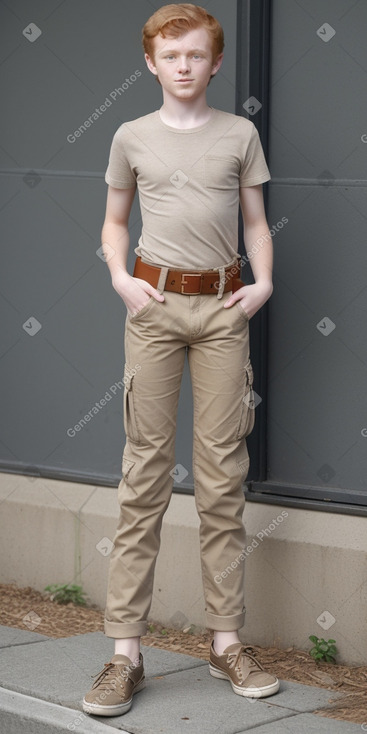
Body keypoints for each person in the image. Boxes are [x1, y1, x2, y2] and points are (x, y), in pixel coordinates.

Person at [83, 2, 279, 717]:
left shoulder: (239, 134)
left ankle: (226, 643)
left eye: (197, 55)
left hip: (224, 312)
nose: (185, 66)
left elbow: (255, 222)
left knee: (223, 477)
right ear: (151, 63)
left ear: (215, 62)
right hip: (155, 310)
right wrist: (118, 278)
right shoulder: (130, 135)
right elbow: (112, 220)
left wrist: (261, 285)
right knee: (144, 478)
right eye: (172, 56)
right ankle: (123, 655)